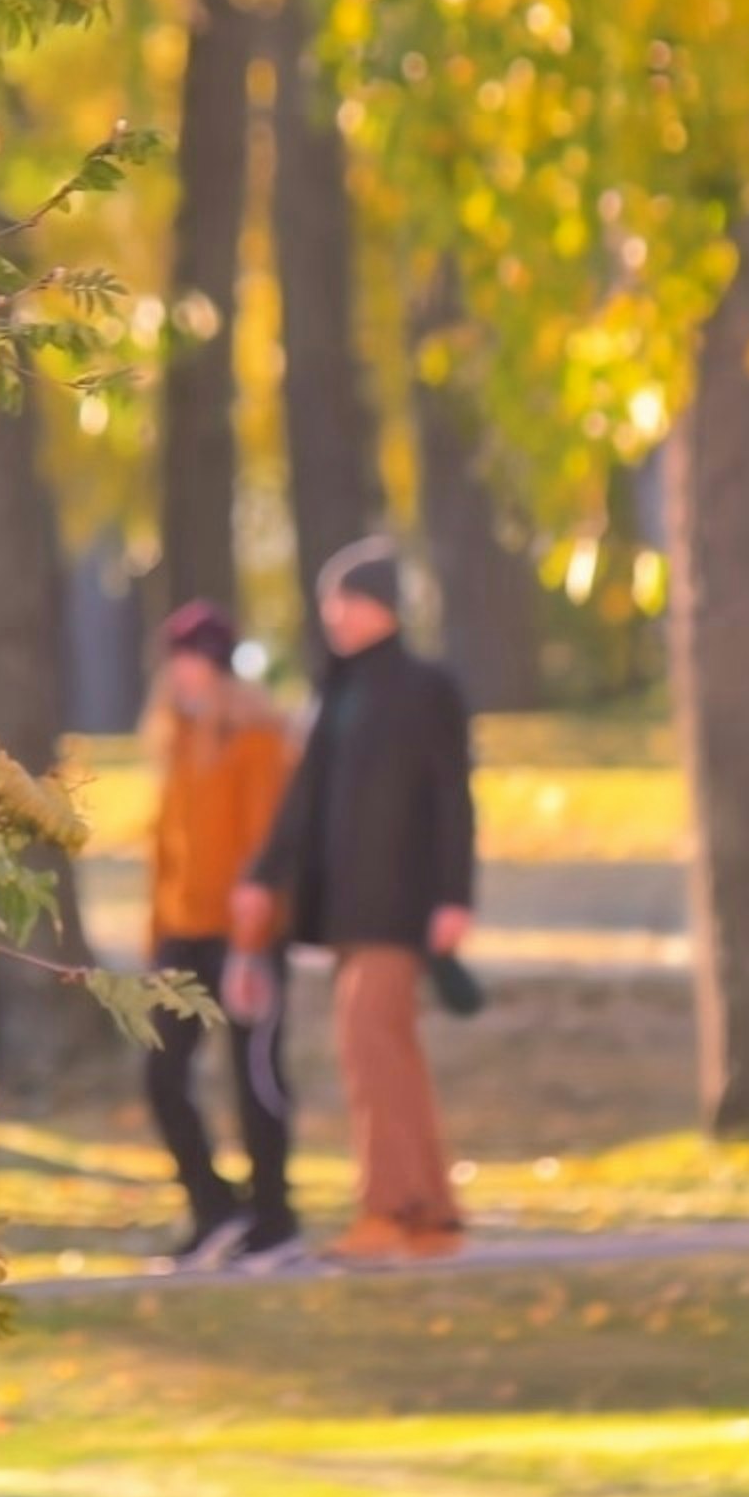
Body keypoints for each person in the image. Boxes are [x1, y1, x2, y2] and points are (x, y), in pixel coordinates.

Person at [232, 536, 476, 1265]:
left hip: (400, 907)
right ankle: (432, 1214)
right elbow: (301, 803)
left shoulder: (426, 687)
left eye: (343, 599)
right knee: (388, 1054)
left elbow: (452, 798)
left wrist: (454, 895)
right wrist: (262, 875)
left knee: (371, 1052)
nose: (331, 614)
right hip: (345, 910)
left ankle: (387, 1208)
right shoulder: (334, 689)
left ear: (378, 605)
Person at [137, 601, 301, 1266]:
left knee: (253, 1074)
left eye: (195, 661)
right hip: (182, 935)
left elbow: (264, 848)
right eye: (177, 661)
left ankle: (274, 1217)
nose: (184, 674)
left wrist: (250, 944)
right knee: (161, 1075)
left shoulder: (257, 741)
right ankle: (214, 1208)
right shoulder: (174, 740)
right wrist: (156, 937)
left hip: (243, 935)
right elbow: (166, 852)